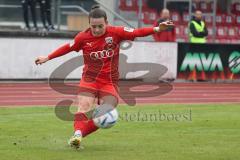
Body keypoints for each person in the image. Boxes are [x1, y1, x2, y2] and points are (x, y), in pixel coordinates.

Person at [35, 5, 174, 149]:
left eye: (100, 26)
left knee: (105, 115)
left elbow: (137, 31)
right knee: (84, 106)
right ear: (89, 24)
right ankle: (77, 134)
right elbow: (68, 47)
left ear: (106, 22)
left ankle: (79, 134)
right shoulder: (83, 37)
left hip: (109, 82)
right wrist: (48, 57)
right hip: (89, 79)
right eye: (93, 26)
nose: (96, 30)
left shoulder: (116, 32)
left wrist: (157, 29)